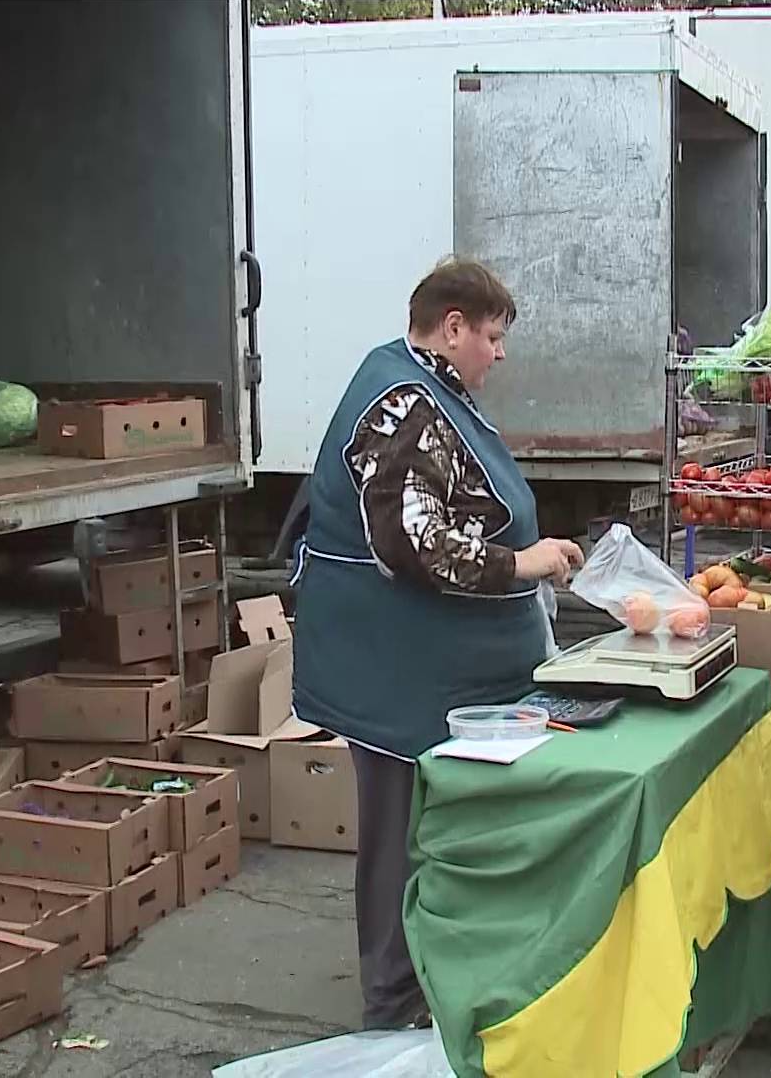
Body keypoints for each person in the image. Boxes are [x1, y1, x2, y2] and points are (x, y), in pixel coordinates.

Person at [290, 257, 585, 1031]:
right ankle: (391, 1006)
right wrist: (525, 562)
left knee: (426, 830)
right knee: (396, 835)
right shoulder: (405, 403)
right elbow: (415, 545)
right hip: (390, 669)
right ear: (451, 328)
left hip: (417, 665)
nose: (500, 353)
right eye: (492, 337)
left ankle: (428, 975)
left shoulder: (426, 385)